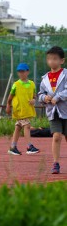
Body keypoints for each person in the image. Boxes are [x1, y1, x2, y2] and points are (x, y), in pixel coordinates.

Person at [38, 46, 66, 174]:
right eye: (49, 59)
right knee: (56, 136)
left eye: (55, 59)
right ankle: (55, 163)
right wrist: (45, 97)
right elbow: (40, 94)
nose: (51, 61)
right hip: (53, 112)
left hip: (65, 110)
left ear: (62, 61)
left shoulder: (65, 74)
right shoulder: (44, 78)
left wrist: (58, 97)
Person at [6, 63, 40, 155]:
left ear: (27, 72)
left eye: (23, 71)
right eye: (19, 72)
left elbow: (34, 96)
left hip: (27, 110)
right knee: (27, 126)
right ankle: (29, 146)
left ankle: (13, 147)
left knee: (18, 127)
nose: (21, 73)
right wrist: (8, 105)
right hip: (19, 110)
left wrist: (33, 100)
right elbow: (10, 97)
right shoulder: (16, 85)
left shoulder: (32, 84)